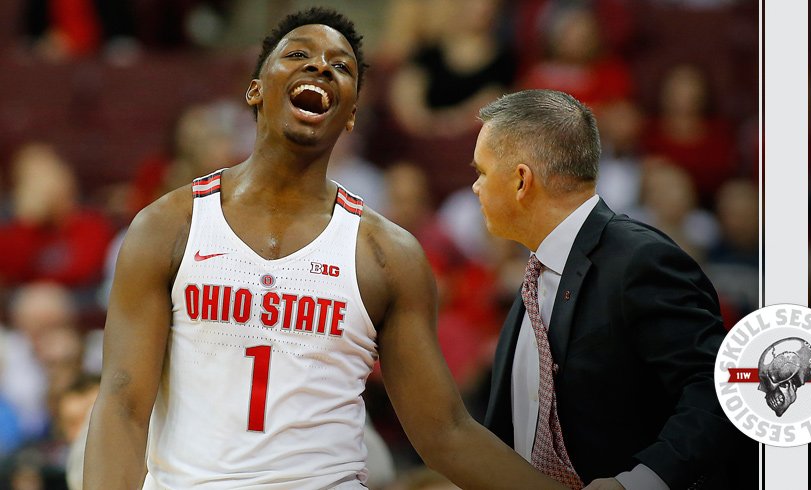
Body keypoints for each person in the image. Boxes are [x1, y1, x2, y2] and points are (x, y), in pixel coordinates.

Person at [84, 8, 566, 490]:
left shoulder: (387, 255)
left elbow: (445, 432)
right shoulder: (169, 226)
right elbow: (123, 405)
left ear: (352, 113)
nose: (320, 67)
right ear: (255, 89)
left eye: (341, 66)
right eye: (297, 54)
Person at [470, 89, 754, 489]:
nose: (475, 187)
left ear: (521, 180)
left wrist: (639, 482)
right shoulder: (536, 275)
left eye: (482, 171)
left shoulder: (642, 260)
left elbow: (720, 387)